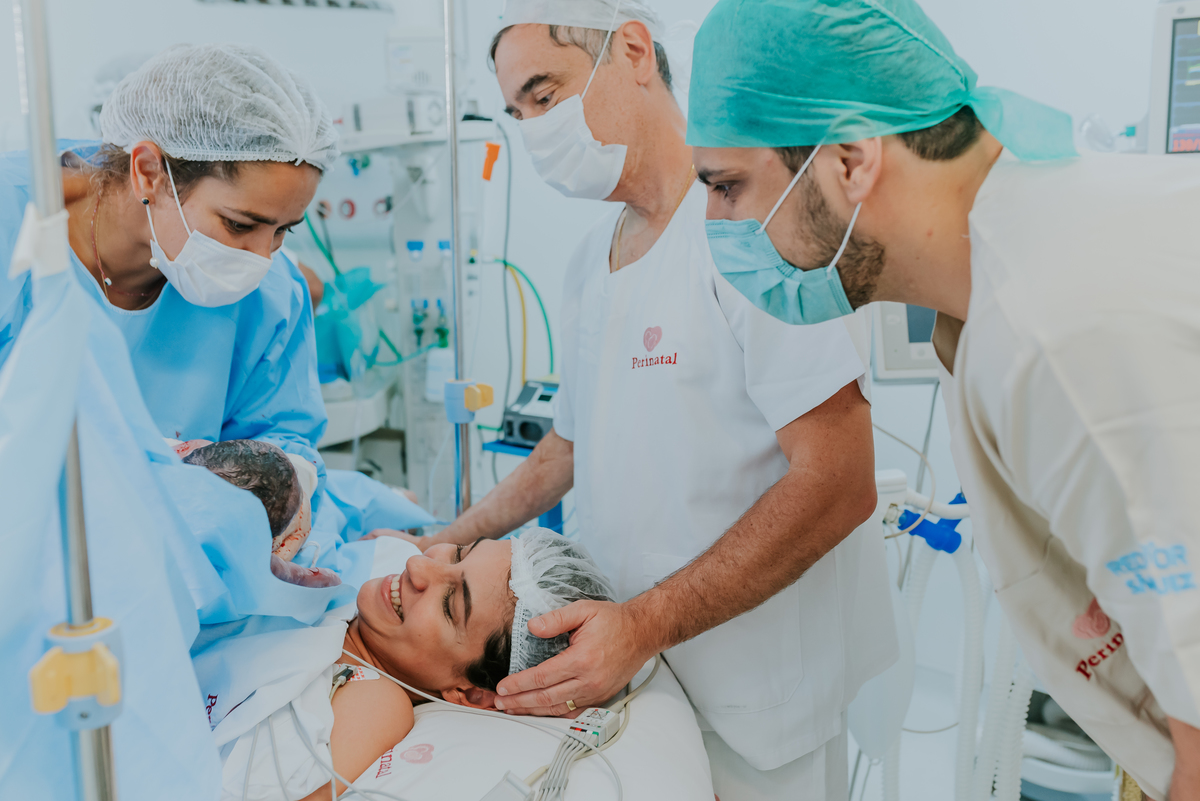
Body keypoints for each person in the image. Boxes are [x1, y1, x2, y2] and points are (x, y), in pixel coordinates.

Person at [371, 2, 897, 798]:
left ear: (634, 51)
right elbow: (568, 449)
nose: (534, 131)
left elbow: (838, 479)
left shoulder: (752, 230)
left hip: (752, 693)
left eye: (544, 96)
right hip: (633, 678)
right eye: (517, 114)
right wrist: (440, 538)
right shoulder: (592, 261)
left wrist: (645, 623)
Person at [685, 1, 1200, 798]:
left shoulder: (1052, 330)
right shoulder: (1007, 277)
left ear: (851, 160)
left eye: (726, 187)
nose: (716, 225)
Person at [198, 529, 615, 800]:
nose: (419, 566)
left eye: (451, 604)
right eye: (457, 552)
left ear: (471, 693)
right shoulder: (375, 577)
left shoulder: (374, 699)